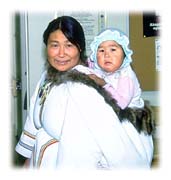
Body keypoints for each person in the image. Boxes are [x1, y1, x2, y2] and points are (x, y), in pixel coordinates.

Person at [15, 16, 154, 169]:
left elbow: (105, 145)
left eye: (69, 45)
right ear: (46, 47)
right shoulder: (47, 76)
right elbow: (33, 123)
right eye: (54, 45)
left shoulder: (83, 87)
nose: (61, 54)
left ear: (80, 48)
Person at [87, 28, 144, 110]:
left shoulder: (126, 75)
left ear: (124, 55)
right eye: (101, 50)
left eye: (113, 49)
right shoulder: (99, 70)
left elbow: (121, 104)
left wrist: (104, 84)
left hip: (128, 116)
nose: (106, 55)